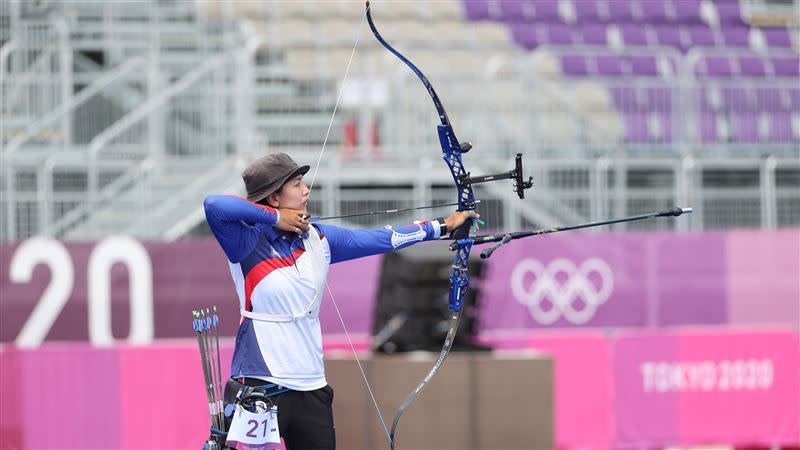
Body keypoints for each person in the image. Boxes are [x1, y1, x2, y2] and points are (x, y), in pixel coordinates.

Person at [202, 152, 477, 450]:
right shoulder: (246, 243)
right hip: (261, 383)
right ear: (273, 198)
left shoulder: (318, 238)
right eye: (296, 184)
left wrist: (443, 225)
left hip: (311, 384)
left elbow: (381, 239)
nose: (306, 190)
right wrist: (277, 219)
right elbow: (214, 205)